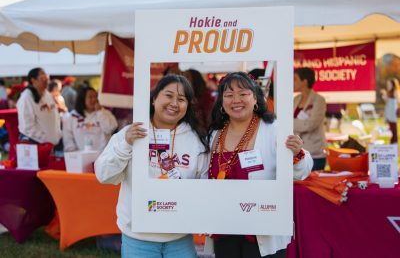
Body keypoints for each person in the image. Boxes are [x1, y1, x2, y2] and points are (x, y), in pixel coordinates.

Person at [95, 74, 209, 258]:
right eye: (169, 95)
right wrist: (126, 144)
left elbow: (204, 184)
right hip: (138, 238)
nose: (174, 103)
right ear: (154, 98)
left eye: (181, 99)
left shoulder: (195, 141)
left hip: (179, 238)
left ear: (187, 105)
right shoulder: (130, 133)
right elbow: (103, 175)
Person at [207, 72, 313, 258]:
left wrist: (297, 154)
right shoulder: (214, 134)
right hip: (223, 229)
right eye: (229, 95)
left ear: (255, 98)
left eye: (243, 93)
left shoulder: (273, 129)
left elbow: (302, 172)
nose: (236, 100)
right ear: (222, 101)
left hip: (261, 231)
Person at [63, 86, 118, 152]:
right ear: (82, 99)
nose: (94, 99)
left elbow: (110, 129)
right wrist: (74, 153)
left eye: (96, 96)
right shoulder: (73, 116)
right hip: (81, 157)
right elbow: (67, 137)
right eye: (90, 97)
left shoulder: (105, 113)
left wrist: (100, 112)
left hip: (102, 157)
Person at [16, 68, 61, 145]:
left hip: (51, 144)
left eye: (46, 76)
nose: (46, 79)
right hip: (36, 144)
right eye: (42, 76)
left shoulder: (47, 94)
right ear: (33, 80)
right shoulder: (26, 98)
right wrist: (45, 139)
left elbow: (55, 116)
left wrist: (58, 134)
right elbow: (27, 127)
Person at [293, 67, 326, 171]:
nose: (292, 82)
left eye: (295, 79)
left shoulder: (319, 100)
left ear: (304, 81)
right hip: (297, 151)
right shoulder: (296, 99)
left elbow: (311, 124)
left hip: (314, 153)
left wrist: (289, 122)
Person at [381, 77, 399, 144]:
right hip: (389, 112)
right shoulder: (389, 91)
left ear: (393, 84)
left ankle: (394, 141)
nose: (388, 85)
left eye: (389, 84)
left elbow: (398, 101)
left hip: (392, 112)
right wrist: (384, 94)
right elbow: (387, 101)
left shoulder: (395, 91)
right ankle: (392, 141)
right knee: (391, 128)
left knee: (393, 127)